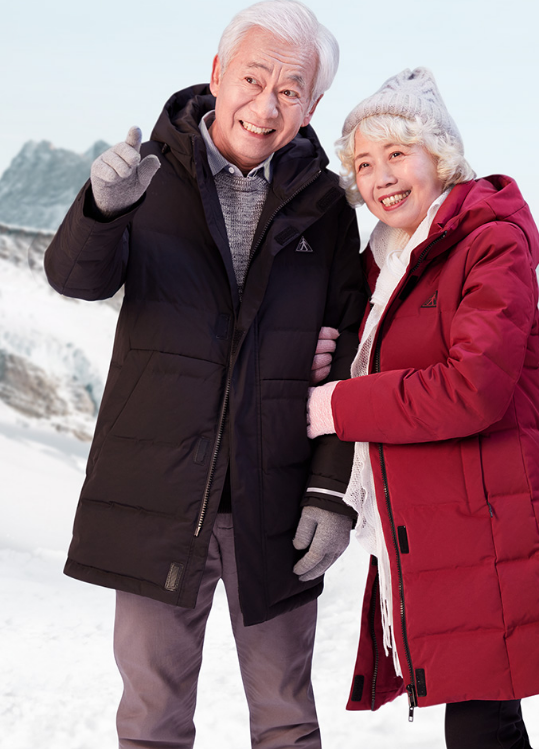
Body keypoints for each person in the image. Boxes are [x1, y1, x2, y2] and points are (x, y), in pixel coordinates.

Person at [44, 2, 366, 747]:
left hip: (276, 502)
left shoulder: (326, 208)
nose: (267, 104)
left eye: (291, 91)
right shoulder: (147, 176)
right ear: (218, 74)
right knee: (151, 721)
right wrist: (100, 209)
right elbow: (74, 278)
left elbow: (349, 358)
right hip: (156, 496)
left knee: (287, 720)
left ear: (313, 106)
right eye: (253, 78)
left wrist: (330, 490)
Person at [306, 67, 539, 749]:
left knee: (482, 725)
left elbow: (473, 387)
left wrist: (338, 405)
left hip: (489, 527)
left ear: (438, 155)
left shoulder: (487, 241)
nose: (380, 176)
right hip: (444, 531)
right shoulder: (384, 262)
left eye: (397, 154)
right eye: (364, 162)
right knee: (482, 723)